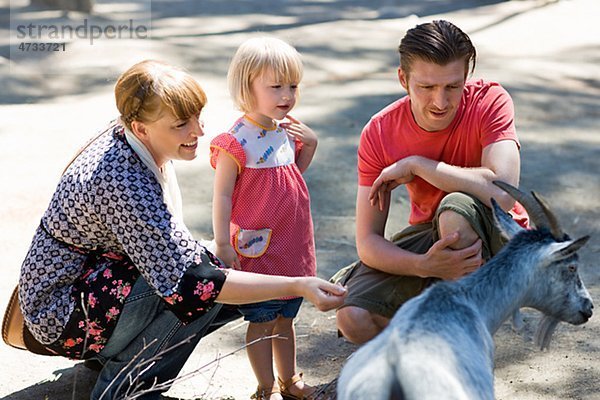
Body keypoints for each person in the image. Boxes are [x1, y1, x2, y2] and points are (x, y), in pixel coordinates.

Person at [17, 60, 345, 400]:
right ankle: (125, 386)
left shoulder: (128, 139)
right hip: (63, 313)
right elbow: (192, 279)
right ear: (140, 127)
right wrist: (297, 284)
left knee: (224, 271)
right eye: (180, 125)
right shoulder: (123, 183)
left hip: (85, 286)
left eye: (197, 117)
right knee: (204, 284)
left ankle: (113, 356)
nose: (199, 132)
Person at [332, 20, 528, 345]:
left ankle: (459, 335)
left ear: (466, 77)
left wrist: (420, 165)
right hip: (432, 241)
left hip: (498, 237)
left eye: (453, 86)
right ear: (402, 78)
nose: (440, 101)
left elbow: (505, 194)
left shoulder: (490, 100)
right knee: (353, 317)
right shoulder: (379, 132)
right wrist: (424, 266)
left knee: (454, 211)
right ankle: (424, 351)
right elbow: (368, 242)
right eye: (426, 87)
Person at [209, 37, 318, 400]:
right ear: (247, 86)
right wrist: (223, 242)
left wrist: (311, 146)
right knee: (261, 319)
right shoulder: (236, 141)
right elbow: (222, 195)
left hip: (291, 246)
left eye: (293, 86)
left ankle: (289, 380)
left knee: (286, 318)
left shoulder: (285, 129)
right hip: (259, 250)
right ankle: (265, 386)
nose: (287, 94)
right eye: (276, 86)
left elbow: (293, 178)